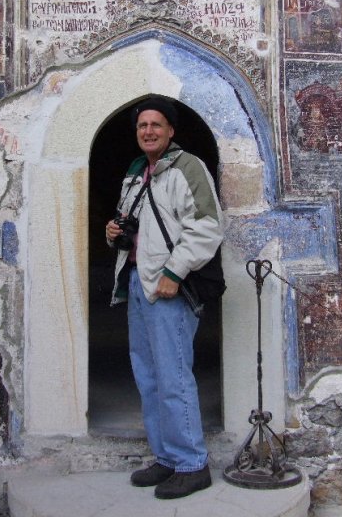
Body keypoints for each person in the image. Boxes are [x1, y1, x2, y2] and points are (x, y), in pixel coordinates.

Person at [105, 96, 223, 500]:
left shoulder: (188, 167)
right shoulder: (137, 172)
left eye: (156, 125)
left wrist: (174, 272)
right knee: (149, 374)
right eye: (142, 126)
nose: (148, 131)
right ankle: (167, 457)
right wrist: (114, 234)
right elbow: (134, 223)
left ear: (171, 130)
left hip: (168, 283)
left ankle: (192, 463)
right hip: (138, 280)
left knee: (173, 375)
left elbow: (207, 225)